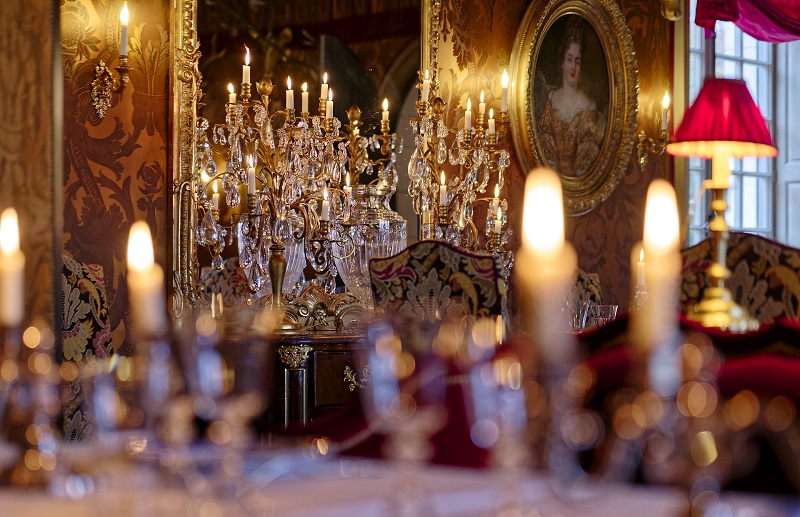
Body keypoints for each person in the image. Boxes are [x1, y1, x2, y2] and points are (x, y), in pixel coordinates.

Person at [536, 18, 604, 177]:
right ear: (562, 63)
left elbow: (589, 147)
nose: (573, 67)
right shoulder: (552, 98)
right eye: (569, 59)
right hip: (549, 181)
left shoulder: (587, 106)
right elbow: (544, 134)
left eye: (578, 61)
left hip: (578, 183)